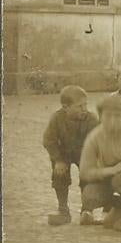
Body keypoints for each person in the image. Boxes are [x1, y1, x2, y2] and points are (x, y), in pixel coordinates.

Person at [77, 94, 121, 231]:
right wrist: (112, 170)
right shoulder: (94, 137)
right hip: (111, 180)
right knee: (90, 195)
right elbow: (85, 172)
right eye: (107, 116)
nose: (112, 121)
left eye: (118, 116)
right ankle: (120, 208)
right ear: (100, 116)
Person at [43, 85, 99, 226]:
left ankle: (87, 210)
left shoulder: (91, 119)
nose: (84, 109)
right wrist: (58, 160)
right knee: (59, 175)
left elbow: (96, 142)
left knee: (87, 178)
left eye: (85, 104)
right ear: (65, 107)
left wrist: (89, 161)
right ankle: (63, 210)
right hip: (64, 153)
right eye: (79, 106)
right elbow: (49, 140)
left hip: (84, 153)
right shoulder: (57, 118)